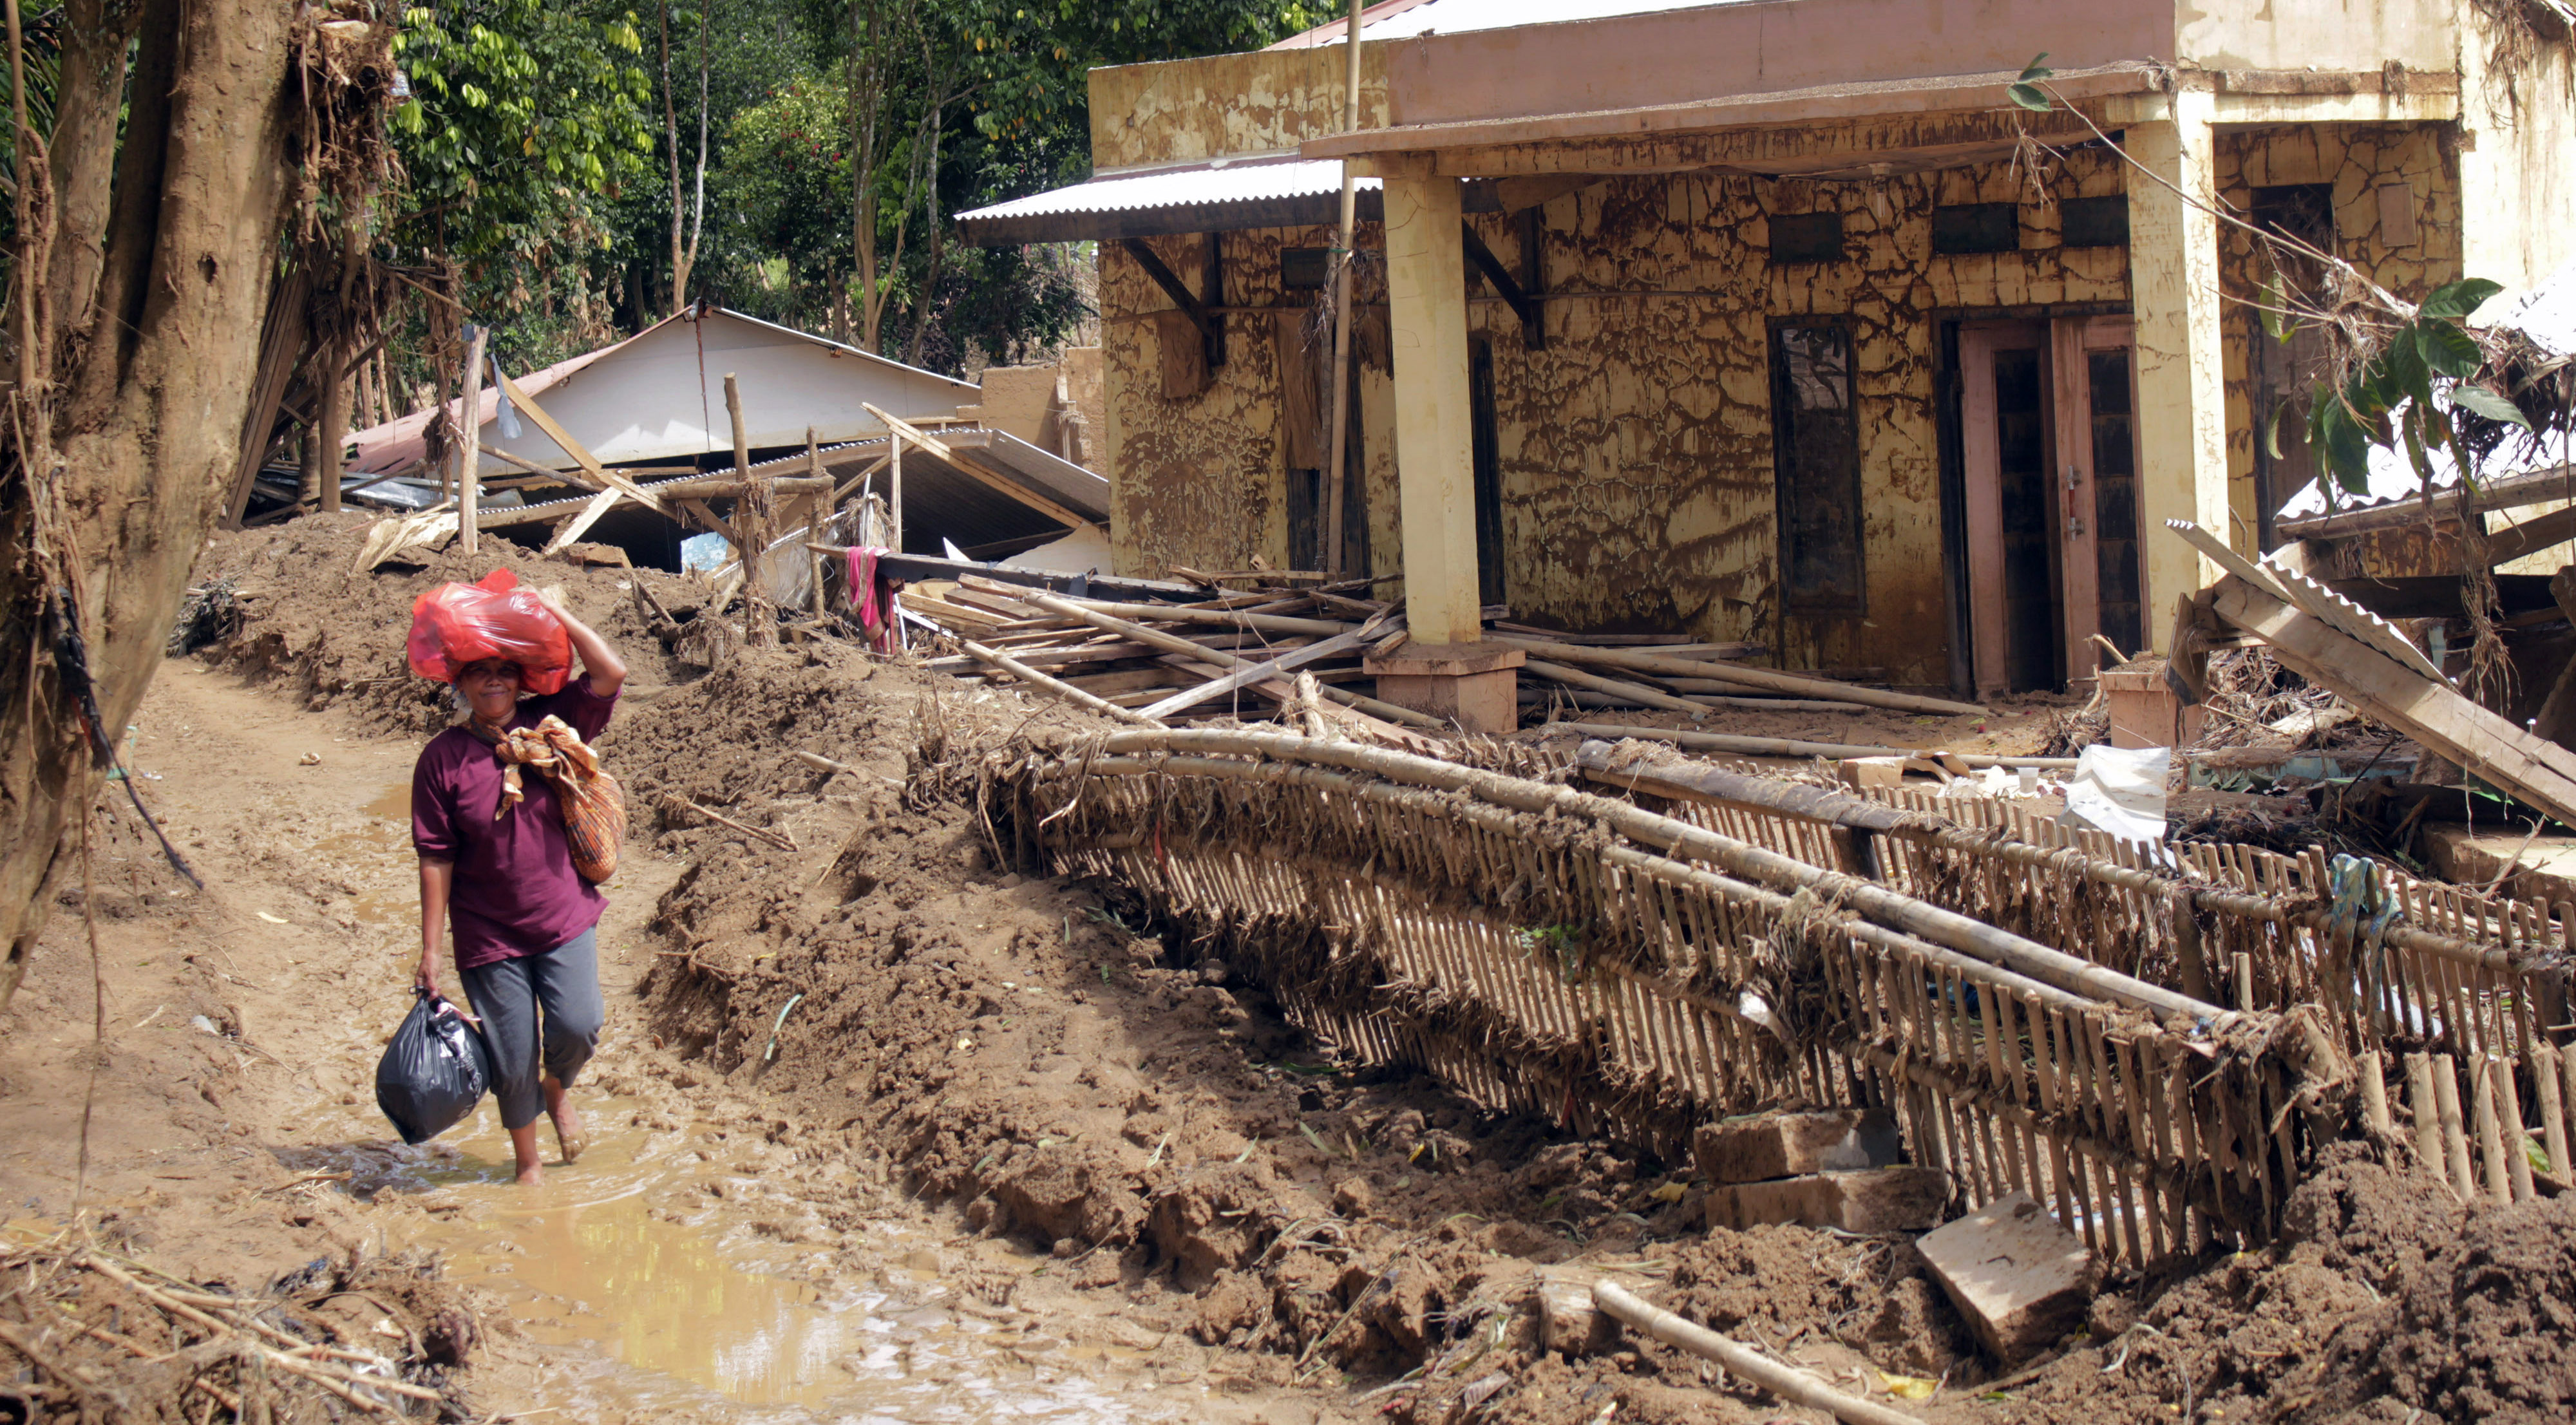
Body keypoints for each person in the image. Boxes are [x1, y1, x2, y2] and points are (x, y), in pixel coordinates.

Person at [412, 586, 626, 1185]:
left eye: (504, 672)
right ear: (460, 683)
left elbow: (610, 672)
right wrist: (430, 949)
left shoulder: (550, 725)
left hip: (560, 914)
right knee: (510, 1055)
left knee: (578, 1026)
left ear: (521, 680)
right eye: (479, 675)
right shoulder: (442, 760)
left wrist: (554, 613)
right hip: (487, 931)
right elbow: (435, 857)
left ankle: (557, 1089)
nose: (493, 684)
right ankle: (528, 1166)